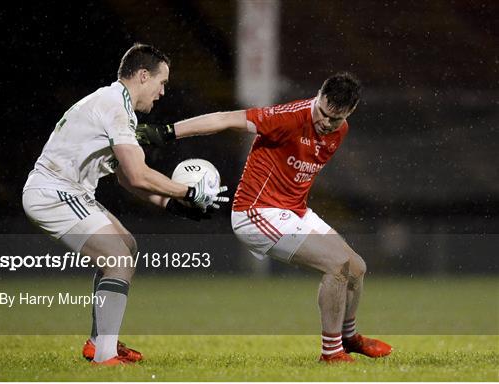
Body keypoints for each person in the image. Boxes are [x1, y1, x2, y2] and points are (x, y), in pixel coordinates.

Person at [136, 72, 392, 363]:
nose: (326, 123)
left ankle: (349, 337)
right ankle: (331, 352)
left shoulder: (339, 130)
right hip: (255, 212)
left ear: (350, 113)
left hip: (294, 210)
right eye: (323, 113)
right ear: (318, 96)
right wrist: (166, 132)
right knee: (337, 266)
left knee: (356, 268)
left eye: (336, 119)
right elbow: (223, 119)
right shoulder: (287, 117)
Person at [22, 43, 228, 366]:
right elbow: (139, 173)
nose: (162, 93)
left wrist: (174, 206)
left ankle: (98, 343)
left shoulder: (116, 106)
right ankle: (104, 358)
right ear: (143, 76)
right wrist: (187, 192)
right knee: (117, 257)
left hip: (71, 192)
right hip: (53, 192)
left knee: (127, 248)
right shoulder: (115, 105)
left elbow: (127, 179)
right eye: (162, 83)